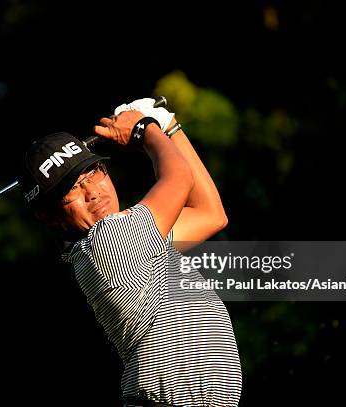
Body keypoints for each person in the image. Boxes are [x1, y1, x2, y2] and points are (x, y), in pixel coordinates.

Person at [21, 98, 242, 407]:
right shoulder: (110, 241)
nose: (92, 191)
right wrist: (145, 129)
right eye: (71, 189)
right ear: (49, 215)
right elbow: (178, 178)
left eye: (94, 172)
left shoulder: (136, 239)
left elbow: (210, 214)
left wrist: (169, 127)